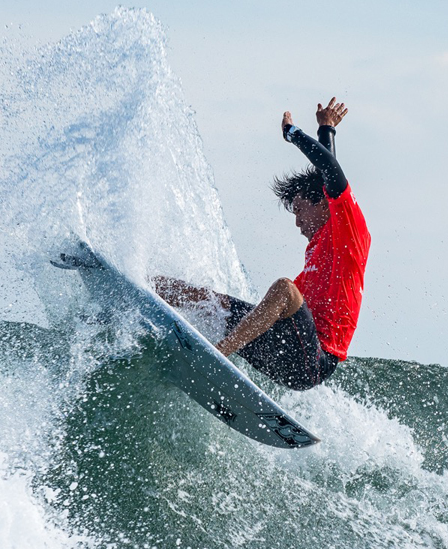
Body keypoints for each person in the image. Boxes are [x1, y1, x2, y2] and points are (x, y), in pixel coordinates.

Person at [154, 97, 370, 391]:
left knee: (285, 289)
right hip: (286, 347)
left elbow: (330, 170)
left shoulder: (349, 231)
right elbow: (325, 173)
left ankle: (217, 356)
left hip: (313, 361)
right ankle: (149, 286)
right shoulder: (322, 240)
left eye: (299, 210)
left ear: (322, 204)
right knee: (215, 303)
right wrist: (326, 128)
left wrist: (293, 134)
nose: (297, 222)